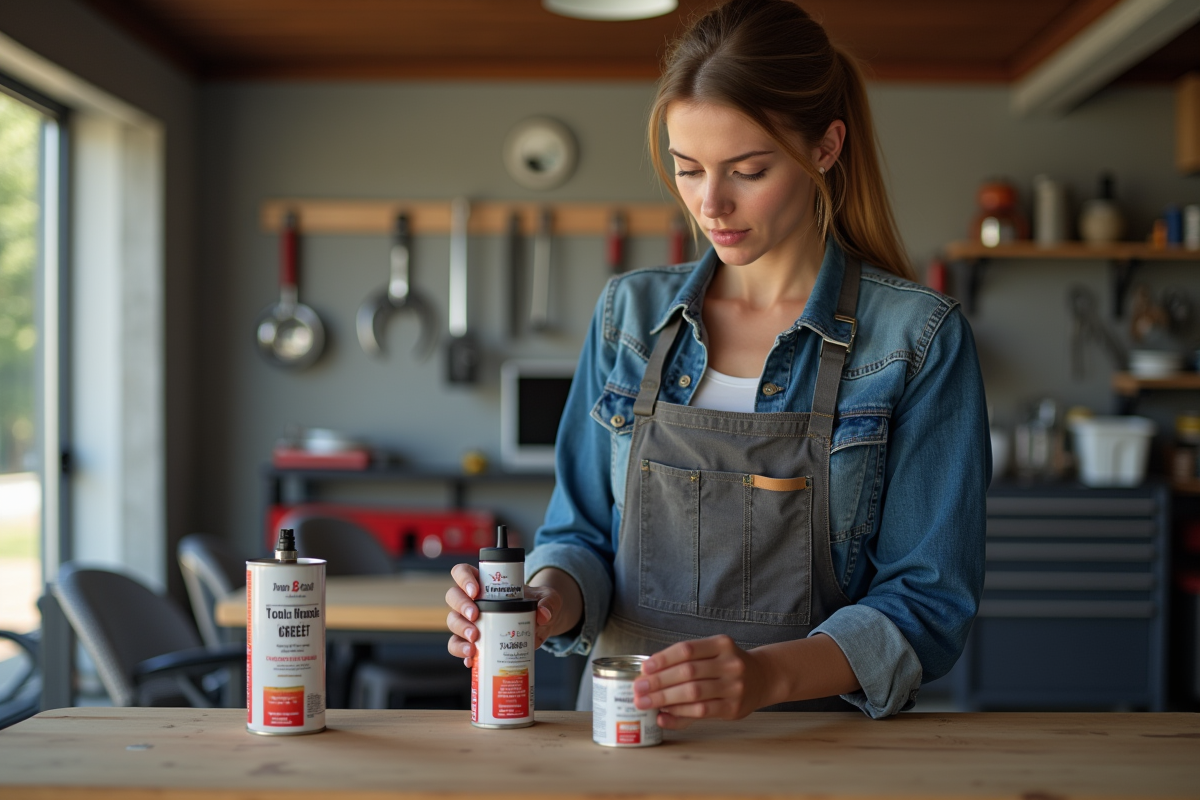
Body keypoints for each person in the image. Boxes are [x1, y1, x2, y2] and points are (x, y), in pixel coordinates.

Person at [446, 0, 989, 725]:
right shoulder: (628, 316)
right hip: (623, 734)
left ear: (826, 148)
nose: (711, 204)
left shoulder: (918, 339)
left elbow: (928, 601)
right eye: (688, 169)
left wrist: (766, 676)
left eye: (748, 170)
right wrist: (541, 603)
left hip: (821, 751)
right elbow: (579, 537)